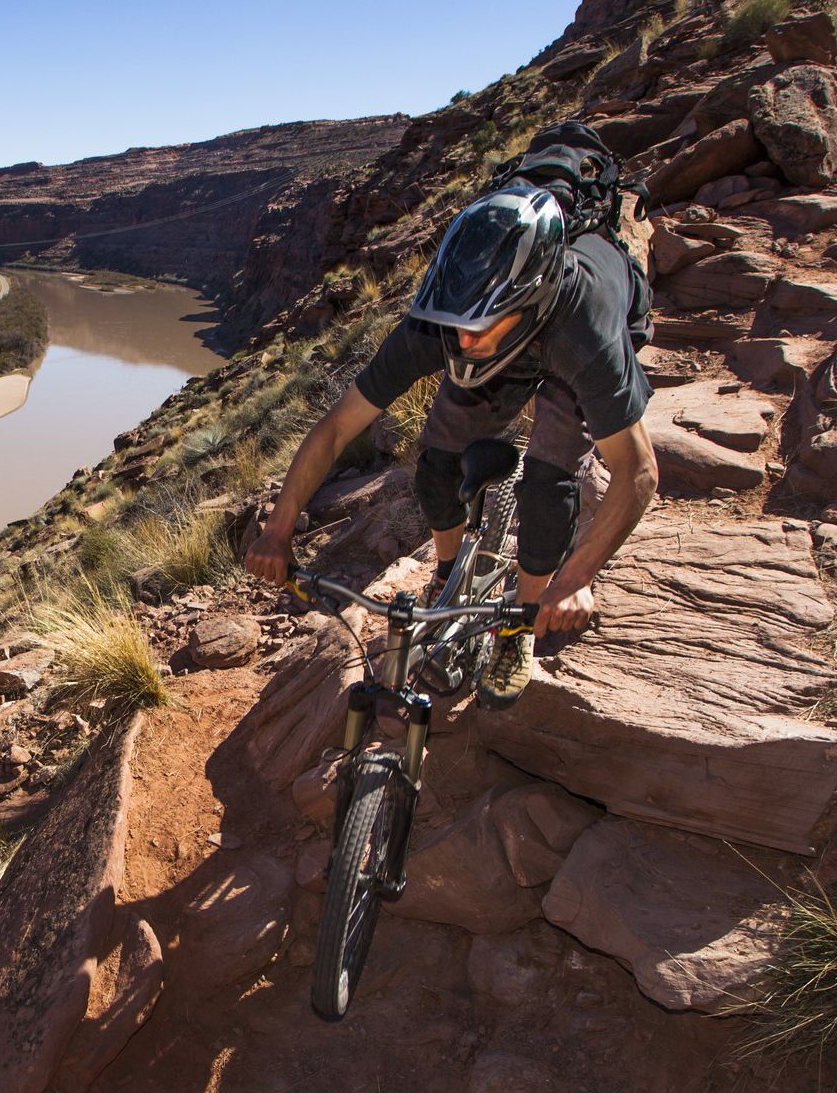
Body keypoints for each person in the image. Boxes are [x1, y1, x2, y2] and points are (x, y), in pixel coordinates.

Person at [243, 177, 660, 709]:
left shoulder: (586, 331)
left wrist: (576, 578)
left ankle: (516, 631)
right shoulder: (440, 321)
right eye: (455, 326)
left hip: (565, 346)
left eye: (479, 327)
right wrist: (279, 530)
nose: (463, 340)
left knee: (548, 483)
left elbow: (639, 470)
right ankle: (446, 573)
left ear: (529, 299)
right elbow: (335, 429)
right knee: (437, 464)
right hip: (512, 348)